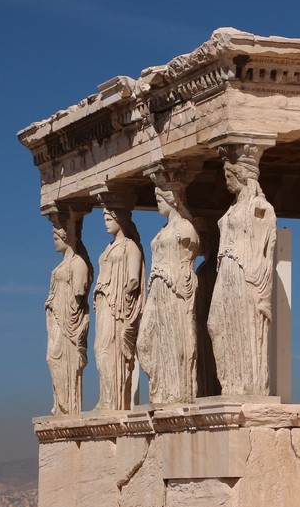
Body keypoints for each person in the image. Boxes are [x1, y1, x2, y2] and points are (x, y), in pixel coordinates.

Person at [208, 156, 275, 396]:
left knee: (244, 326)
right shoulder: (233, 208)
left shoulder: (260, 208)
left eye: (229, 176)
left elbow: (267, 246)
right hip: (226, 271)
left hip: (244, 272)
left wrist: (258, 282)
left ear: (242, 176)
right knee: (215, 324)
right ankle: (231, 383)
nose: (226, 181)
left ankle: (247, 386)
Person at [138, 186, 201, 404]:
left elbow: (190, 256)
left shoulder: (185, 228)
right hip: (156, 290)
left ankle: (176, 394)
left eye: (160, 197)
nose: (158, 202)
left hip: (174, 290)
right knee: (144, 343)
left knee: (175, 341)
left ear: (173, 198)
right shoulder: (164, 230)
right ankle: (161, 390)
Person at [92, 207, 145, 410]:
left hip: (118, 305)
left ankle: (114, 400)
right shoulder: (108, 247)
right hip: (104, 303)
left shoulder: (130, 247)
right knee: (100, 349)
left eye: (108, 218)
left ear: (119, 219)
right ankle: (107, 397)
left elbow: (133, 278)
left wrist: (123, 294)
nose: (105, 222)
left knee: (112, 350)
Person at [44, 222, 91, 416]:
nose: (54, 242)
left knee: (63, 359)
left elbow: (79, 293)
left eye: (56, 238)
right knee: (52, 359)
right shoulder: (63, 264)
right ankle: (62, 405)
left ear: (66, 238)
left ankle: (69, 407)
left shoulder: (78, 263)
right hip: (56, 318)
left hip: (69, 321)